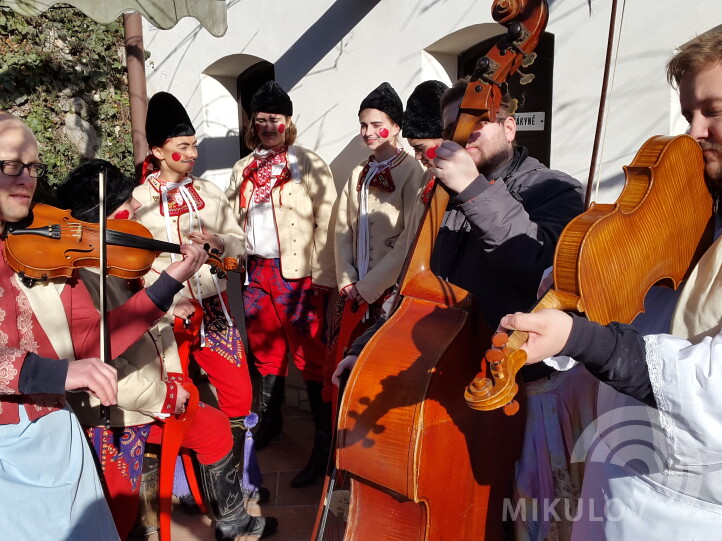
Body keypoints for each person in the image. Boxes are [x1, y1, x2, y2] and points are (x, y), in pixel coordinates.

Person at [498, 26, 722, 540]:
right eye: (689, 112)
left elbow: (713, 391)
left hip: (686, 513)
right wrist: (595, 279)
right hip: (619, 479)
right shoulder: (699, 201)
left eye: (714, 110)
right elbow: (657, 313)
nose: (693, 131)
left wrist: (582, 339)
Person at [0, 112, 206, 540]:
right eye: (10, 166)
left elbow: (93, 340)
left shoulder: (40, 253)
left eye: (34, 167)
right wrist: (58, 372)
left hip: (54, 434)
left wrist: (169, 283)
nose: (26, 179)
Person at [56, 159, 277, 540]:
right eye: (125, 207)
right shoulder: (83, 276)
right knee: (212, 427)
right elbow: (100, 356)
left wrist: (176, 294)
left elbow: (135, 314)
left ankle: (216, 508)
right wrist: (166, 394)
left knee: (231, 402)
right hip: (126, 403)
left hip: (157, 373)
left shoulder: (107, 259)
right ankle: (227, 519)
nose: (135, 210)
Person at [333, 79, 584, 382]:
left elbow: (541, 267)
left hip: (517, 381)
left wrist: (473, 190)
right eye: (452, 128)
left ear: (509, 128)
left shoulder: (555, 188)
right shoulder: (442, 198)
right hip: (447, 369)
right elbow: (413, 286)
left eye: (477, 122)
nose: (464, 134)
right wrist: (364, 349)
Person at [133, 93, 262, 499]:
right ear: (157, 151)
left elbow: (241, 242)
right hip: (166, 317)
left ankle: (234, 482)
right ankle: (187, 485)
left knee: (239, 393)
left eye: (193, 144)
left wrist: (218, 240)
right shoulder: (137, 203)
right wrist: (167, 287)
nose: (191, 153)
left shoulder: (209, 191)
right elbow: (131, 263)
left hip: (214, 309)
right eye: (182, 147)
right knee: (179, 395)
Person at [225, 80, 337, 488]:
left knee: (309, 355)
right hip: (257, 273)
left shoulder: (307, 162)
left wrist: (324, 278)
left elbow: (329, 221)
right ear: (253, 124)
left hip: (298, 275)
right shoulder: (243, 168)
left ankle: (322, 447)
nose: (268, 125)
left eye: (275, 118)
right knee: (264, 354)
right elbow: (232, 222)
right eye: (261, 120)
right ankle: (269, 425)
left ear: (288, 121)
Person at [334, 82, 424, 319]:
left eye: (377, 125)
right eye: (363, 125)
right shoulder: (359, 171)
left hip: (391, 287)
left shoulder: (412, 170)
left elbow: (411, 236)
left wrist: (372, 285)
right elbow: (342, 228)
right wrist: (346, 277)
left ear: (395, 127)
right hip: (355, 289)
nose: (368, 132)